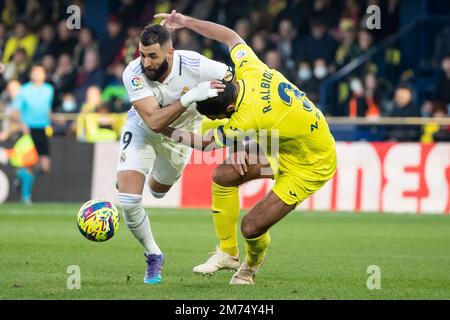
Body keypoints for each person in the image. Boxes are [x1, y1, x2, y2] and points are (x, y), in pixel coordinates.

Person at [156, 10, 337, 284]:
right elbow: (229, 36)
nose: (217, 122)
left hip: (311, 164)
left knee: (251, 226)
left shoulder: (245, 119)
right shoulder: (249, 69)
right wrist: (185, 22)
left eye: (217, 118)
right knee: (223, 175)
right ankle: (227, 252)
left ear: (229, 108)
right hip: (281, 145)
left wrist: (164, 128)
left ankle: (250, 268)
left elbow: (205, 144)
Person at [117, 23, 231, 285]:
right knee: (129, 200)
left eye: (152, 56)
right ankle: (153, 254)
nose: (145, 62)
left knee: (158, 190)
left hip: (179, 137)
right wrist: (190, 97)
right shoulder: (133, 73)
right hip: (142, 128)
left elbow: (236, 78)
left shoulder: (195, 65)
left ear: (170, 53)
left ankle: (133, 173)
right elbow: (154, 122)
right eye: (142, 55)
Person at [10, 64, 53, 204]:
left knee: (45, 166)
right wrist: (23, 125)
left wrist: (51, 122)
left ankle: (20, 176)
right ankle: (25, 197)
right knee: (30, 164)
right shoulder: (24, 90)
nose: (37, 75)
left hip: (43, 129)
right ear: (31, 74)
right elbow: (15, 112)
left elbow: (48, 109)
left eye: (40, 72)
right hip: (28, 130)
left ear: (44, 75)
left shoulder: (49, 90)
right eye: (35, 72)